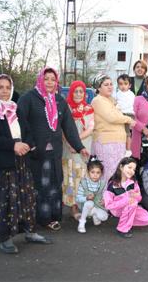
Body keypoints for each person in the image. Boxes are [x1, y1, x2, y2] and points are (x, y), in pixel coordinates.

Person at [0, 74, 51, 253]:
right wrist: (13, 145)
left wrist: (30, 144)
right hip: (3, 162)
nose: (4, 91)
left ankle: (30, 231)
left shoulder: (14, 107)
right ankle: (5, 238)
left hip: (21, 159)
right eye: (0, 87)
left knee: (26, 196)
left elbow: (26, 129)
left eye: (7, 87)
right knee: (5, 199)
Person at [17, 67, 89, 231]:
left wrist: (80, 147)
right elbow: (21, 123)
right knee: (40, 185)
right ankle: (39, 218)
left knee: (55, 182)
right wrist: (30, 143)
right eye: (46, 78)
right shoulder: (28, 98)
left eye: (52, 79)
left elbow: (69, 127)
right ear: (40, 79)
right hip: (36, 151)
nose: (49, 82)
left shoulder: (59, 100)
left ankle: (52, 217)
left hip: (55, 151)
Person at [91, 74, 135, 183]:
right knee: (109, 173)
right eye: (106, 85)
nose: (110, 87)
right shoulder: (98, 100)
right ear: (98, 87)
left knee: (117, 172)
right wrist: (128, 119)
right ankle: (106, 198)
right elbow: (112, 117)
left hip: (117, 142)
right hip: (107, 142)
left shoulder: (110, 100)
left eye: (111, 84)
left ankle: (115, 198)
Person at [62, 80, 95, 220]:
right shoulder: (66, 108)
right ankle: (73, 207)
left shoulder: (89, 109)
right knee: (70, 177)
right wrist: (72, 143)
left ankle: (84, 206)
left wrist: (77, 142)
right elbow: (62, 129)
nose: (78, 94)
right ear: (71, 92)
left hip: (84, 147)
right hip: (69, 148)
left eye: (81, 91)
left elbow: (91, 128)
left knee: (83, 178)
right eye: (76, 91)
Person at [104, 157, 148, 238]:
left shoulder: (133, 182)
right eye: (129, 167)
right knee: (131, 204)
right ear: (121, 167)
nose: (132, 171)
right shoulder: (112, 184)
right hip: (117, 209)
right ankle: (122, 229)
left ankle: (126, 222)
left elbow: (139, 198)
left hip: (131, 207)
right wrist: (126, 200)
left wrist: (136, 196)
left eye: (134, 169)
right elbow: (108, 205)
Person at [76, 156, 108, 234]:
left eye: (98, 172)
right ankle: (82, 222)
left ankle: (94, 214)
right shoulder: (84, 183)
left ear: (101, 173)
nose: (95, 175)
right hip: (84, 205)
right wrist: (86, 198)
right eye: (92, 172)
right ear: (88, 172)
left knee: (104, 217)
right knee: (89, 203)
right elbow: (78, 198)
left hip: (97, 205)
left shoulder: (103, 183)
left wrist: (104, 201)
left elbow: (105, 195)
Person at [115, 74, 135, 155]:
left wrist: (133, 118)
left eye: (125, 84)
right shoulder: (117, 94)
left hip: (129, 114)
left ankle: (128, 149)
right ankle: (120, 148)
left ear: (129, 85)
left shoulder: (131, 94)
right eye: (120, 84)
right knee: (120, 133)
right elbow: (114, 103)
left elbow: (133, 105)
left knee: (127, 133)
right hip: (119, 115)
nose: (123, 86)